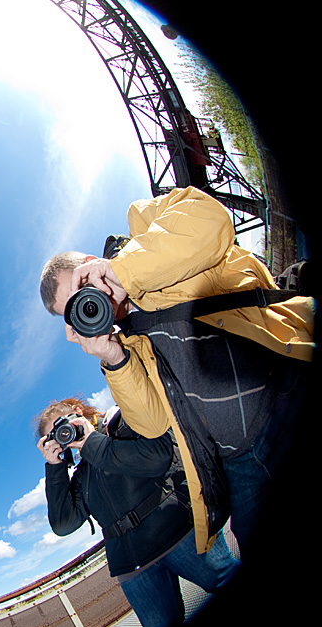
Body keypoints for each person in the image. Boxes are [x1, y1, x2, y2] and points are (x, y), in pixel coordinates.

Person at [39, 186, 314, 556]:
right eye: (76, 310)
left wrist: (122, 272)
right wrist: (112, 356)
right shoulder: (124, 342)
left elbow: (212, 223)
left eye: (81, 290)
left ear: (90, 262)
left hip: (287, 388)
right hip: (237, 463)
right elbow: (152, 426)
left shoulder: (145, 224)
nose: (90, 304)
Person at [37, 395, 240, 627]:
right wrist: (55, 466)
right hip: (135, 567)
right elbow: (63, 524)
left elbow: (158, 458)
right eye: (56, 437)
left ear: (78, 412)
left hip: (180, 533)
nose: (64, 435)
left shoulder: (121, 423)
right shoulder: (81, 476)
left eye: (62, 426)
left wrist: (92, 441)